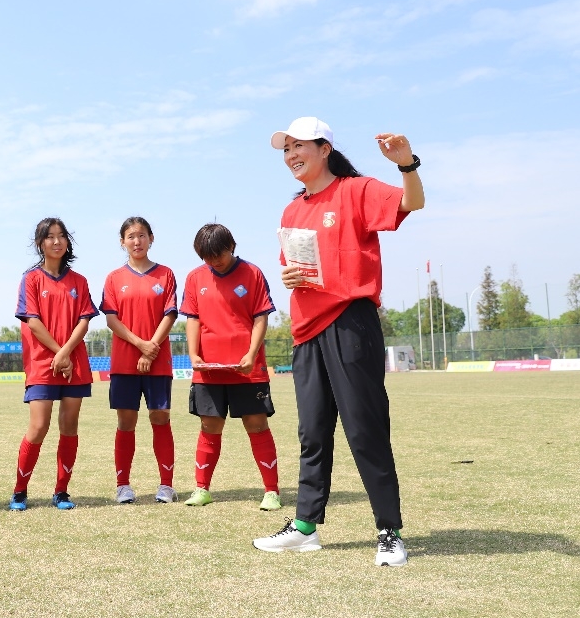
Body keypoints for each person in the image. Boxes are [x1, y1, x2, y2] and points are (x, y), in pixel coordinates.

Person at [252, 117, 423, 567]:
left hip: (350, 322)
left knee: (365, 428)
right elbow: (296, 267)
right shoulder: (291, 211)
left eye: (298, 146)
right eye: (285, 149)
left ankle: (389, 530)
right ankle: (305, 527)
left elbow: (413, 202)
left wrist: (406, 163)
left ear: (324, 148)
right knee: (312, 432)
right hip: (306, 329)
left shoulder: (357, 190)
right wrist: (289, 276)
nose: (290, 155)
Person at [179, 223, 281, 511]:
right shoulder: (195, 277)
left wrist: (251, 354)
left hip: (247, 368)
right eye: (206, 257)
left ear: (231, 247)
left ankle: (271, 491)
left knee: (257, 424)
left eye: (218, 255)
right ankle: (202, 489)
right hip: (208, 369)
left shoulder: (252, 273)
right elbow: (193, 319)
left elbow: (262, 316)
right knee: (209, 425)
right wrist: (193, 354)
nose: (213, 262)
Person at [9, 218, 98, 512]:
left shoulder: (79, 281)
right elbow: (32, 322)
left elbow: (84, 321)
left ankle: (61, 492)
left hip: (74, 363)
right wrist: (59, 354)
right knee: (38, 426)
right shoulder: (31, 279)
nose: (56, 242)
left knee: (69, 426)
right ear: (40, 243)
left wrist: (67, 353)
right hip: (43, 364)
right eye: (50, 237)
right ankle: (20, 492)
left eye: (61, 236)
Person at [99, 217, 180, 504]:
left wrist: (152, 347)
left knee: (160, 417)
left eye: (142, 235)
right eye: (131, 236)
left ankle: (167, 485)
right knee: (126, 421)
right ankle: (123, 485)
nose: (137, 241)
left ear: (151, 238)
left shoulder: (166, 274)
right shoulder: (113, 278)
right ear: (122, 241)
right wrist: (140, 345)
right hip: (124, 362)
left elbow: (170, 314)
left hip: (158, 360)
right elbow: (111, 318)